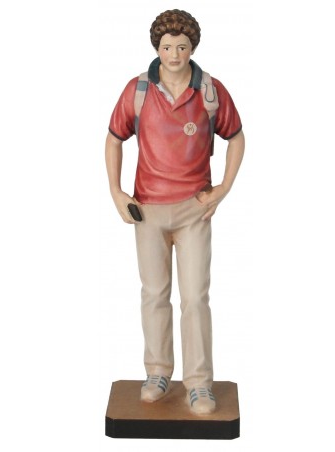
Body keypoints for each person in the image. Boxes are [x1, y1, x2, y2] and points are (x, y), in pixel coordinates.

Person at [105, 9, 245, 415]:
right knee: (154, 294)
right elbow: (113, 139)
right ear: (157, 48)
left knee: (196, 297)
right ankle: (157, 372)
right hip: (148, 209)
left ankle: (199, 383)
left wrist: (223, 188)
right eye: (167, 47)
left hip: (193, 210)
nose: (174, 54)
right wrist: (116, 192)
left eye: (182, 47)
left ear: (192, 48)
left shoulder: (210, 91)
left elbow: (237, 138)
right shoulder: (138, 90)